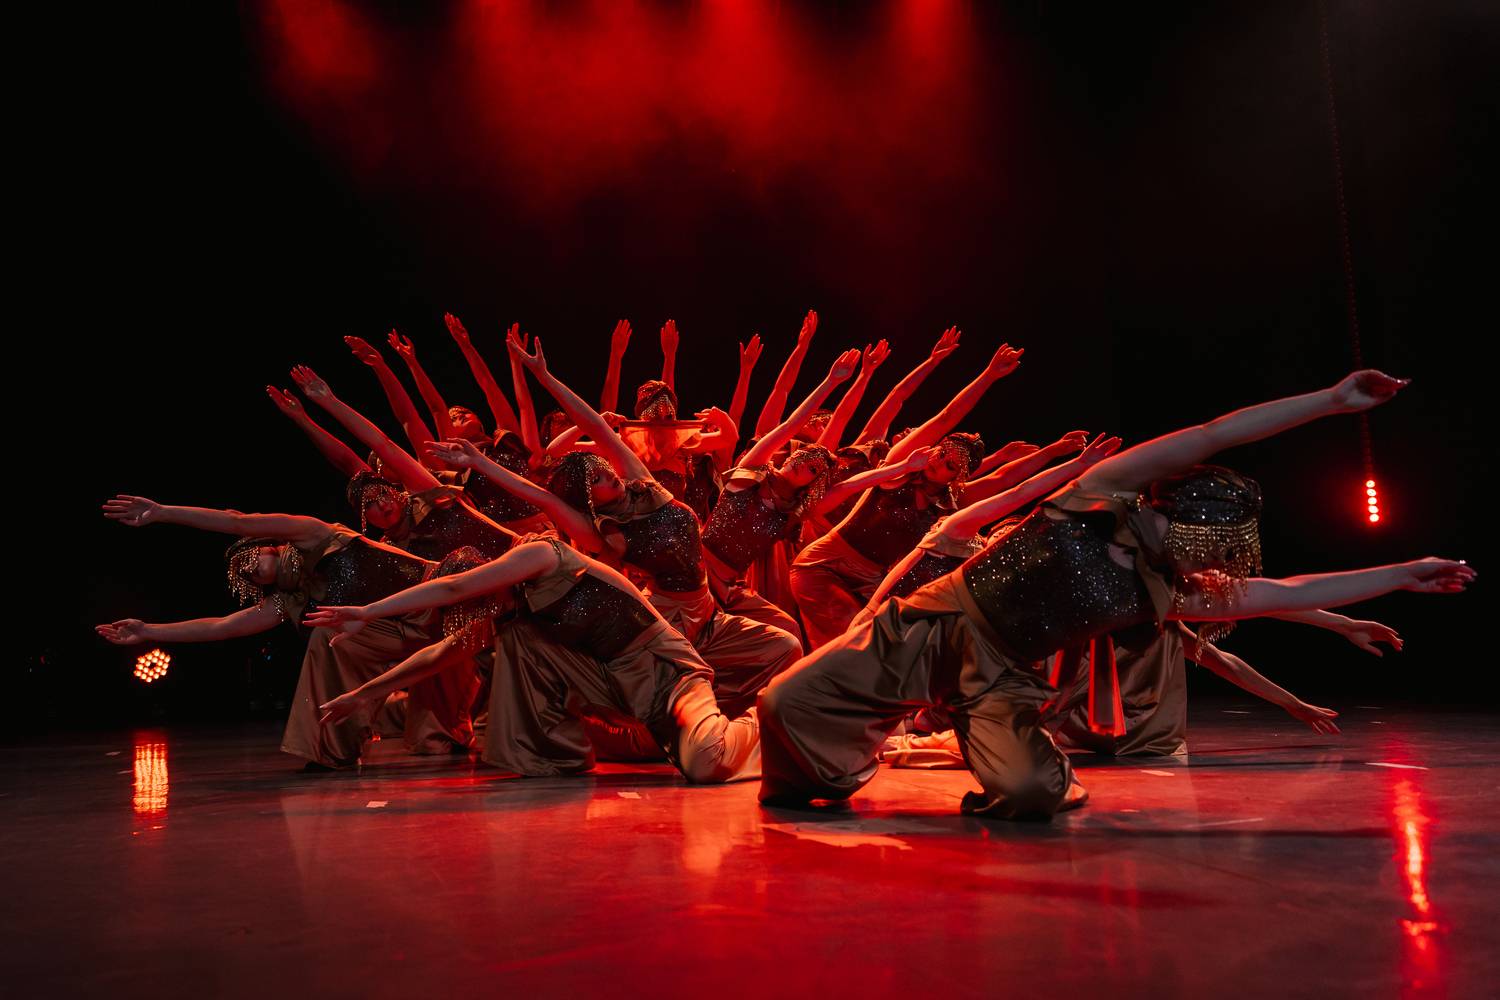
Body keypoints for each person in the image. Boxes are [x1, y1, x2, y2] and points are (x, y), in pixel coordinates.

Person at [757, 369, 1475, 820]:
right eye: (1207, 545)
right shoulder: (1096, 493)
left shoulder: (1161, 593)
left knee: (1031, 796)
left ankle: (1033, 766)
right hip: (930, 622)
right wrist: (1331, 401)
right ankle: (829, 775)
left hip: (1001, 678)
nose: (1210, 564)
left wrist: (1402, 573)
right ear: (1177, 517)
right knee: (784, 705)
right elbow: (1213, 433)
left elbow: (1287, 590)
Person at [507, 330, 813, 717]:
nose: (665, 419)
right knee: (656, 659)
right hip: (640, 552)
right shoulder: (627, 450)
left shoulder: (684, 443)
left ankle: (727, 707)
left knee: (769, 639)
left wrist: (722, 419)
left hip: (682, 541)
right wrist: (578, 409)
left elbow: (729, 439)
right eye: (656, 413)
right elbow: (556, 452)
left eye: (669, 412)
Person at [306, 536, 760, 784]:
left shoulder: (543, 555)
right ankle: (552, 754)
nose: (483, 607)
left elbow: (452, 587)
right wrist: (363, 694)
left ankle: (766, 718)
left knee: (705, 764)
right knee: (518, 636)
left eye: (481, 595)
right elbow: (439, 654)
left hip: (667, 672)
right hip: (618, 691)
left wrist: (368, 612)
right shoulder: (511, 613)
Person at [96, 495, 479, 768]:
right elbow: (223, 626)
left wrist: (164, 513)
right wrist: (149, 630)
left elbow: (237, 521)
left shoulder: (314, 535)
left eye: (248, 559)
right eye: (244, 577)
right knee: (327, 635)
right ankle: (330, 747)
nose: (248, 570)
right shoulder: (292, 600)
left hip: (443, 598)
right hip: (401, 629)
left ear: (271, 546)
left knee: (441, 729)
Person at [790, 340, 1024, 647]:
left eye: (950, 465)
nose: (939, 461)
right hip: (826, 562)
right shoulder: (896, 471)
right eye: (941, 453)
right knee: (852, 644)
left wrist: (1058, 455)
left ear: (957, 477)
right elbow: (942, 416)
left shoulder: (946, 505)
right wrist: (987, 375)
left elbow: (1008, 482)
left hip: (872, 582)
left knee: (888, 646)